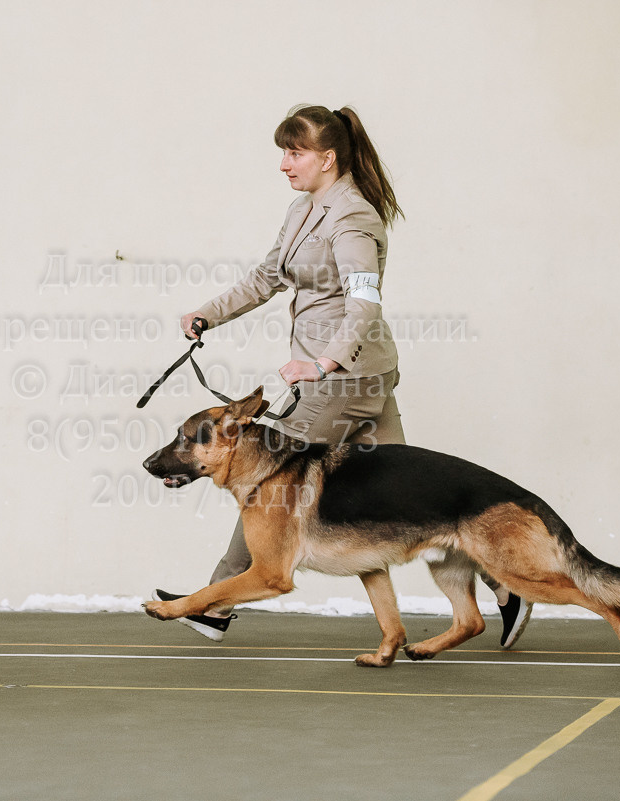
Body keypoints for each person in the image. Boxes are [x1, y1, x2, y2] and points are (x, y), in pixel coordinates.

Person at [153, 104, 531, 649]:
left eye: (295, 152)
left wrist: (322, 363)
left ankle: (214, 602)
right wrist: (208, 314)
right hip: (365, 376)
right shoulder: (301, 210)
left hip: (342, 378)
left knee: (266, 480)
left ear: (327, 158)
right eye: (284, 152)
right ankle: (504, 586)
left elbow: (363, 304)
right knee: (408, 496)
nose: (284, 163)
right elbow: (266, 277)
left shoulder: (352, 218)